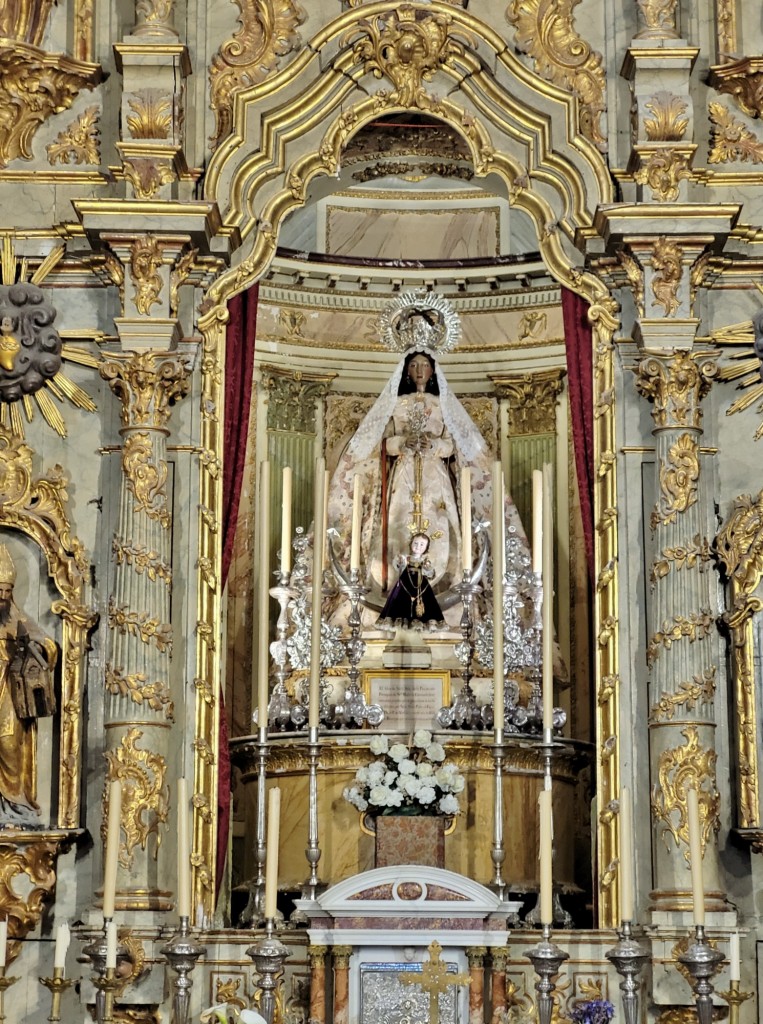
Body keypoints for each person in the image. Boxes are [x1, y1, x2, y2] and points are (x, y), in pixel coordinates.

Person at [326, 296, 529, 625]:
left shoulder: (441, 404)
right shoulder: (397, 406)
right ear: (407, 370)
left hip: (435, 477)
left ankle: (445, 591)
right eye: (414, 366)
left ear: (433, 370)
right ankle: (396, 590)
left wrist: (435, 445)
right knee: (396, 523)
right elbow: (382, 444)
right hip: (404, 474)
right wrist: (402, 442)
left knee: (443, 525)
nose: (420, 371)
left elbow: (454, 445)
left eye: (425, 365)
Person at [0, 544, 57, 818]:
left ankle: (14, 803)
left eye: (7, 592)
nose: (2, 597)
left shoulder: (18, 618)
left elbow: (48, 645)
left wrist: (36, 647)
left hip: (9, 689)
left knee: (9, 743)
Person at [378, 532, 445, 629]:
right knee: (400, 603)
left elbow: (430, 574)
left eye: (422, 544)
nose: (418, 546)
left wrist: (427, 568)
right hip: (404, 586)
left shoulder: (425, 561)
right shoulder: (406, 558)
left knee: (426, 604)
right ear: (411, 544)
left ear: (426, 548)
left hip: (421, 587)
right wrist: (400, 561)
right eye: (415, 543)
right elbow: (399, 567)